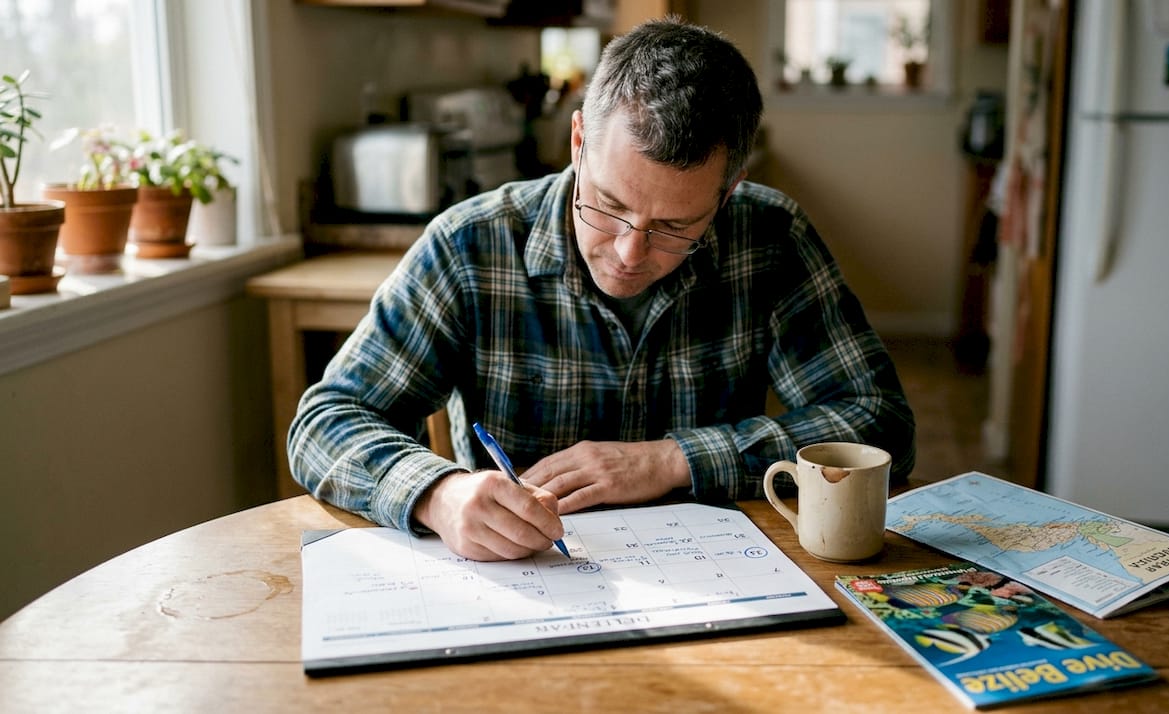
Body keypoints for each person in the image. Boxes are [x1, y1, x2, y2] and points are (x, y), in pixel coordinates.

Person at [288, 17, 915, 562]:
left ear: (727, 193)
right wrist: (437, 492)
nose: (628, 252)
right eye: (609, 206)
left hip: (718, 583)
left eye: (674, 226)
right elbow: (324, 422)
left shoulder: (769, 236)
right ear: (580, 141)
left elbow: (879, 424)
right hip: (527, 585)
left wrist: (671, 460)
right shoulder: (469, 246)